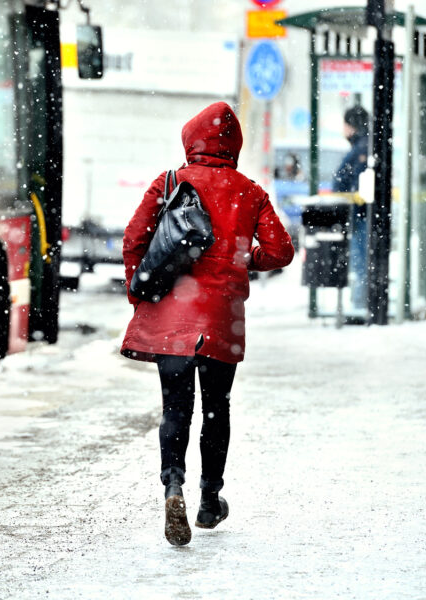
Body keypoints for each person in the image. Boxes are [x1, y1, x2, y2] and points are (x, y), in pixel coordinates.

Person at [120, 102, 294, 546]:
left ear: (190, 139)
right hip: (221, 319)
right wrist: (244, 258)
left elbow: (134, 237)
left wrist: (137, 287)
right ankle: (209, 500)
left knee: (175, 408)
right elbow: (280, 251)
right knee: (217, 408)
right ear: (234, 145)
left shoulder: (171, 182)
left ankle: (172, 486)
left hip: (171, 320)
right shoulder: (249, 192)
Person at [332, 105, 370, 310]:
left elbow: (355, 183)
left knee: (360, 261)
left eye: (345, 124)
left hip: (359, 214)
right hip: (359, 214)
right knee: (360, 260)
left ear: (352, 126)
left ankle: (359, 305)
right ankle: (359, 302)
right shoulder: (363, 146)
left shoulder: (361, 149)